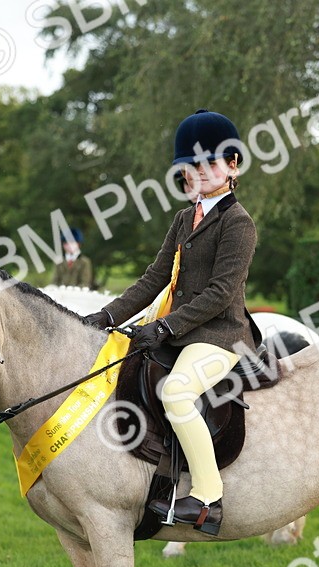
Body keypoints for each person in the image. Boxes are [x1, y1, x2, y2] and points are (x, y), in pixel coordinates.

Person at [80, 109, 257, 536]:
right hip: (180, 331)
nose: (200, 173)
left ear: (232, 165)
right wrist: (104, 317)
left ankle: (208, 497)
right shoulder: (183, 219)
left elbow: (219, 293)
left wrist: (163, 328)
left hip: (220, 334)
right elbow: (154, 279)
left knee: (177, 393)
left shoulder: (238, 223)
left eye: (210, 163)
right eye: (191, 166)